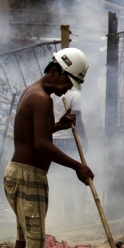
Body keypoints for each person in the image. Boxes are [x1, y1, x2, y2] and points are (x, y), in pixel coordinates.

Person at [3, 48, 94, 248]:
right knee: (33, 239)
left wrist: (58, 125)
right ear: (54, 72)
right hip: (28, 175)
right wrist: (77, 166)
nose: (66, 90)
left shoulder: (32, 92)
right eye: (67, 82)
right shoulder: (42, 99)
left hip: (20, 173)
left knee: (24, 237)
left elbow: (34, 134)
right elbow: (41, 145)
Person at [50, 88, 88, 226]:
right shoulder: (74, 95)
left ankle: (58, 217)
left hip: (52, 138)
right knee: (69, 180)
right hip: (68, 140)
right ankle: (70, 218)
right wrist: (84, 139)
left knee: (56, 180)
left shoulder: (51, 94)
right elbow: (77, 120)